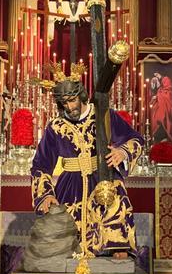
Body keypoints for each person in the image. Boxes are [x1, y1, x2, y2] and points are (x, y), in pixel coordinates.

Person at [31, 66, 144, 258]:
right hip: (70, 185)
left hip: (102, 177)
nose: (69, 107)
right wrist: (45, 195)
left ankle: (116, 248)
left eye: (72, 100)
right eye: (64, 103)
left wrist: (122, 153)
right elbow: (40, 164)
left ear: (82, 95)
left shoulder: (104, 115)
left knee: (114, 205)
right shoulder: (55, 127)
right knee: (61, 231)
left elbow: (135, 140)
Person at [149, 72, 172, 142]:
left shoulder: (167, 88)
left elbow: (167, 96)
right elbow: (154, 92)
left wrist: (157, 96)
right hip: (158, 107)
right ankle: (157, 137)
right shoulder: (159, 88)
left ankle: (164, 136)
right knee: (156, 119)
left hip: (165, 109)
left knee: (162, 118)